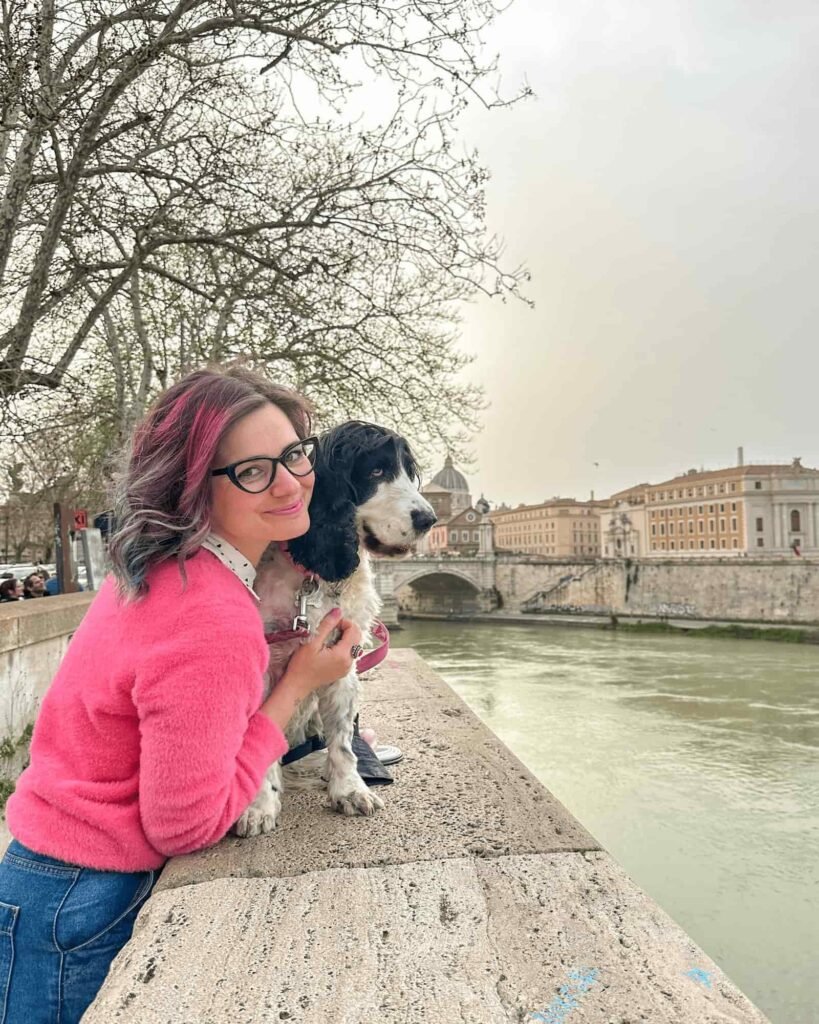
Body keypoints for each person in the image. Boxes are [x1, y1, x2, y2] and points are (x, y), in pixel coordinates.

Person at [0, 365, 362, 1024]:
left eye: (293, 454)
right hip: (86, 902)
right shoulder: (215, 618)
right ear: (195, 488)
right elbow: (188, 824)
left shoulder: (155, 567)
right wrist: (298, 687)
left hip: (41, 875)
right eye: (252, 471)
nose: (288, 482)